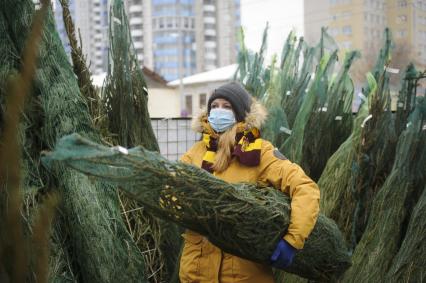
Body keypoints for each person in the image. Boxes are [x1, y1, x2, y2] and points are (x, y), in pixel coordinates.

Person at [179, 82, 320, 283]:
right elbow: (171, 191)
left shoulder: (260, 153)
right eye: (214, 106)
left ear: (241, 114)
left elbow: (305, 188)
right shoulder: (195, 154)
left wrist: (292, 240)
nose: (219, 111)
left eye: (227, 107)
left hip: (243, 274)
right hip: (196, 273)